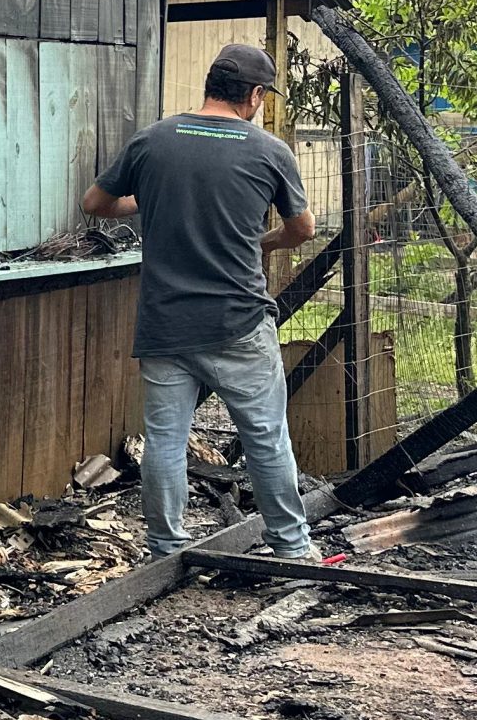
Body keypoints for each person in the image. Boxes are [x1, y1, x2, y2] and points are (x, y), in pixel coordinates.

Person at [80, 43, 319, 561]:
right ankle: (293, 549)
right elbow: (303, 229)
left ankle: (166, 549)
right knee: (266, 437)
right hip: (238, 322)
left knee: (165, 441)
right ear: (255, 95)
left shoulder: (153, 139)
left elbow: (95, 203)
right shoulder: (269, 151)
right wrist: (266, 243)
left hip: (165, 324)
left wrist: (151, 198)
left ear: (210, 85)